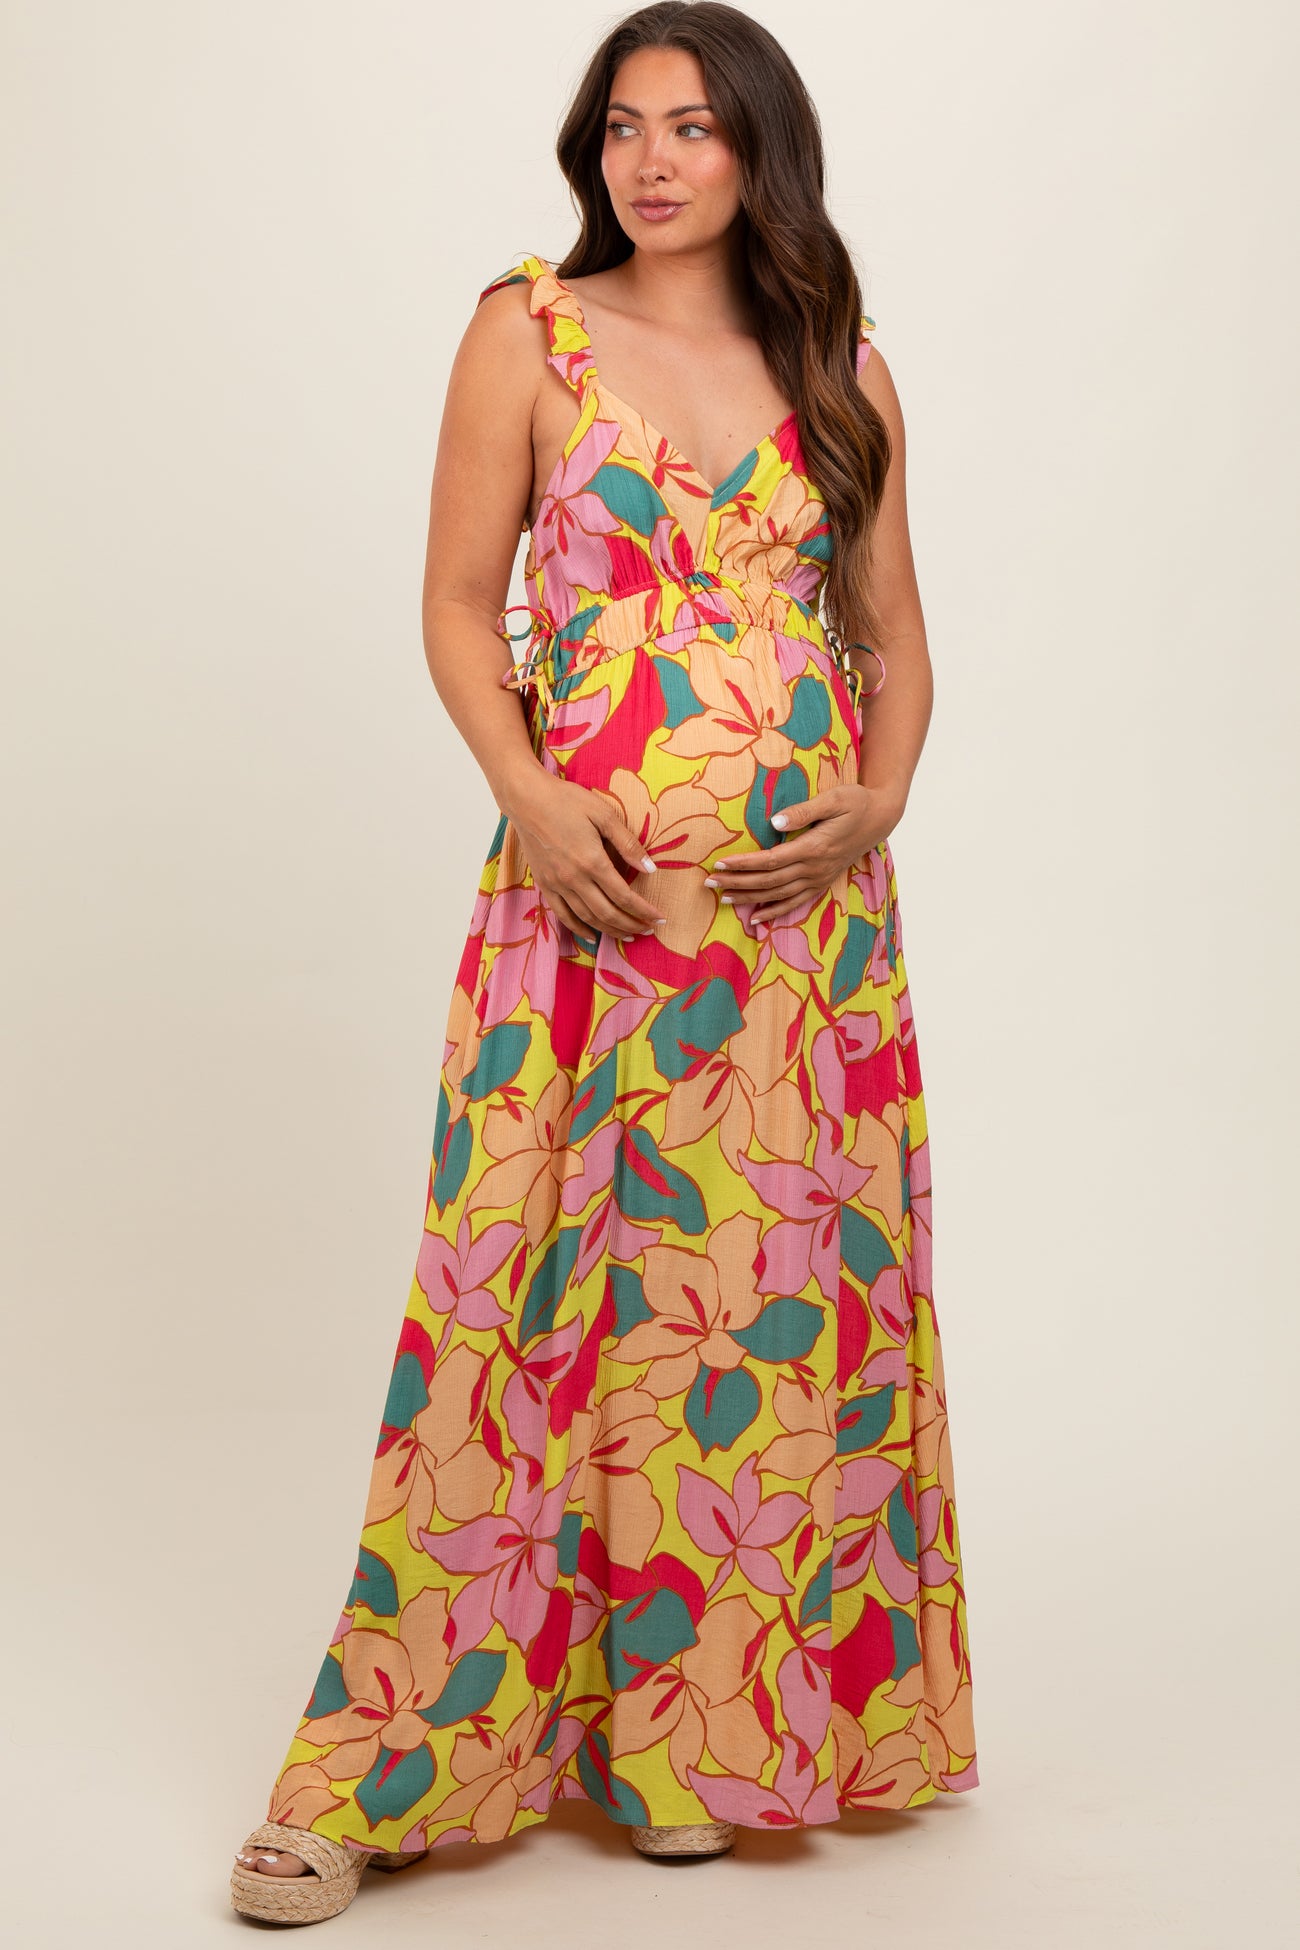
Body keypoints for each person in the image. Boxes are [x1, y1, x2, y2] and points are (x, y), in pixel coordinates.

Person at [231, 0, 978, 1926]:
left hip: (801, 946)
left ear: (759, 149)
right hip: (592, 912)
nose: (651, 160)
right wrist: (534, 797)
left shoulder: (843, 368)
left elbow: (895, 634)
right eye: (624, 127)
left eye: (694, 127)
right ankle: (382, 1765)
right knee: (526, 1306)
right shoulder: (530, 331)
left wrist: (878, 800)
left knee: (752, 1317)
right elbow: (454, 605)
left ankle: (692, 1742)